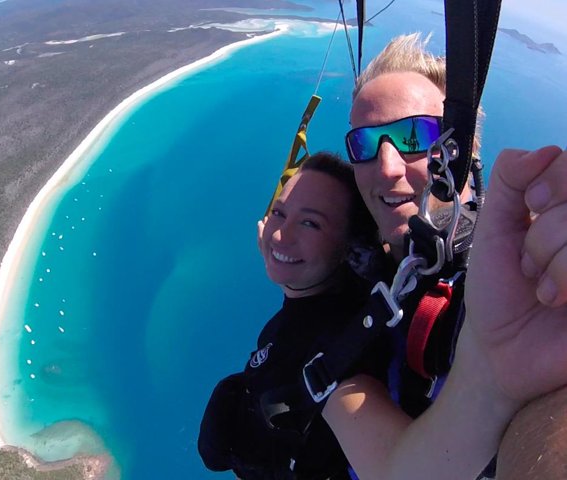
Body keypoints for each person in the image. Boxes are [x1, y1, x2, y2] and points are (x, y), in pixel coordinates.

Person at [313, 33, 567, 480]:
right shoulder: (356, 254)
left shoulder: (514, 278)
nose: (387, 166)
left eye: (414, 135)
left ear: (465, 154)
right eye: (363, 145)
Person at [198, 152, 386, 479]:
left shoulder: (342, 354)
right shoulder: (322, 292)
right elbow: (284, 245)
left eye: (310, 223)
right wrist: (276, 252)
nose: (280, 234)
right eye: (278, 213)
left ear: (348, 248)